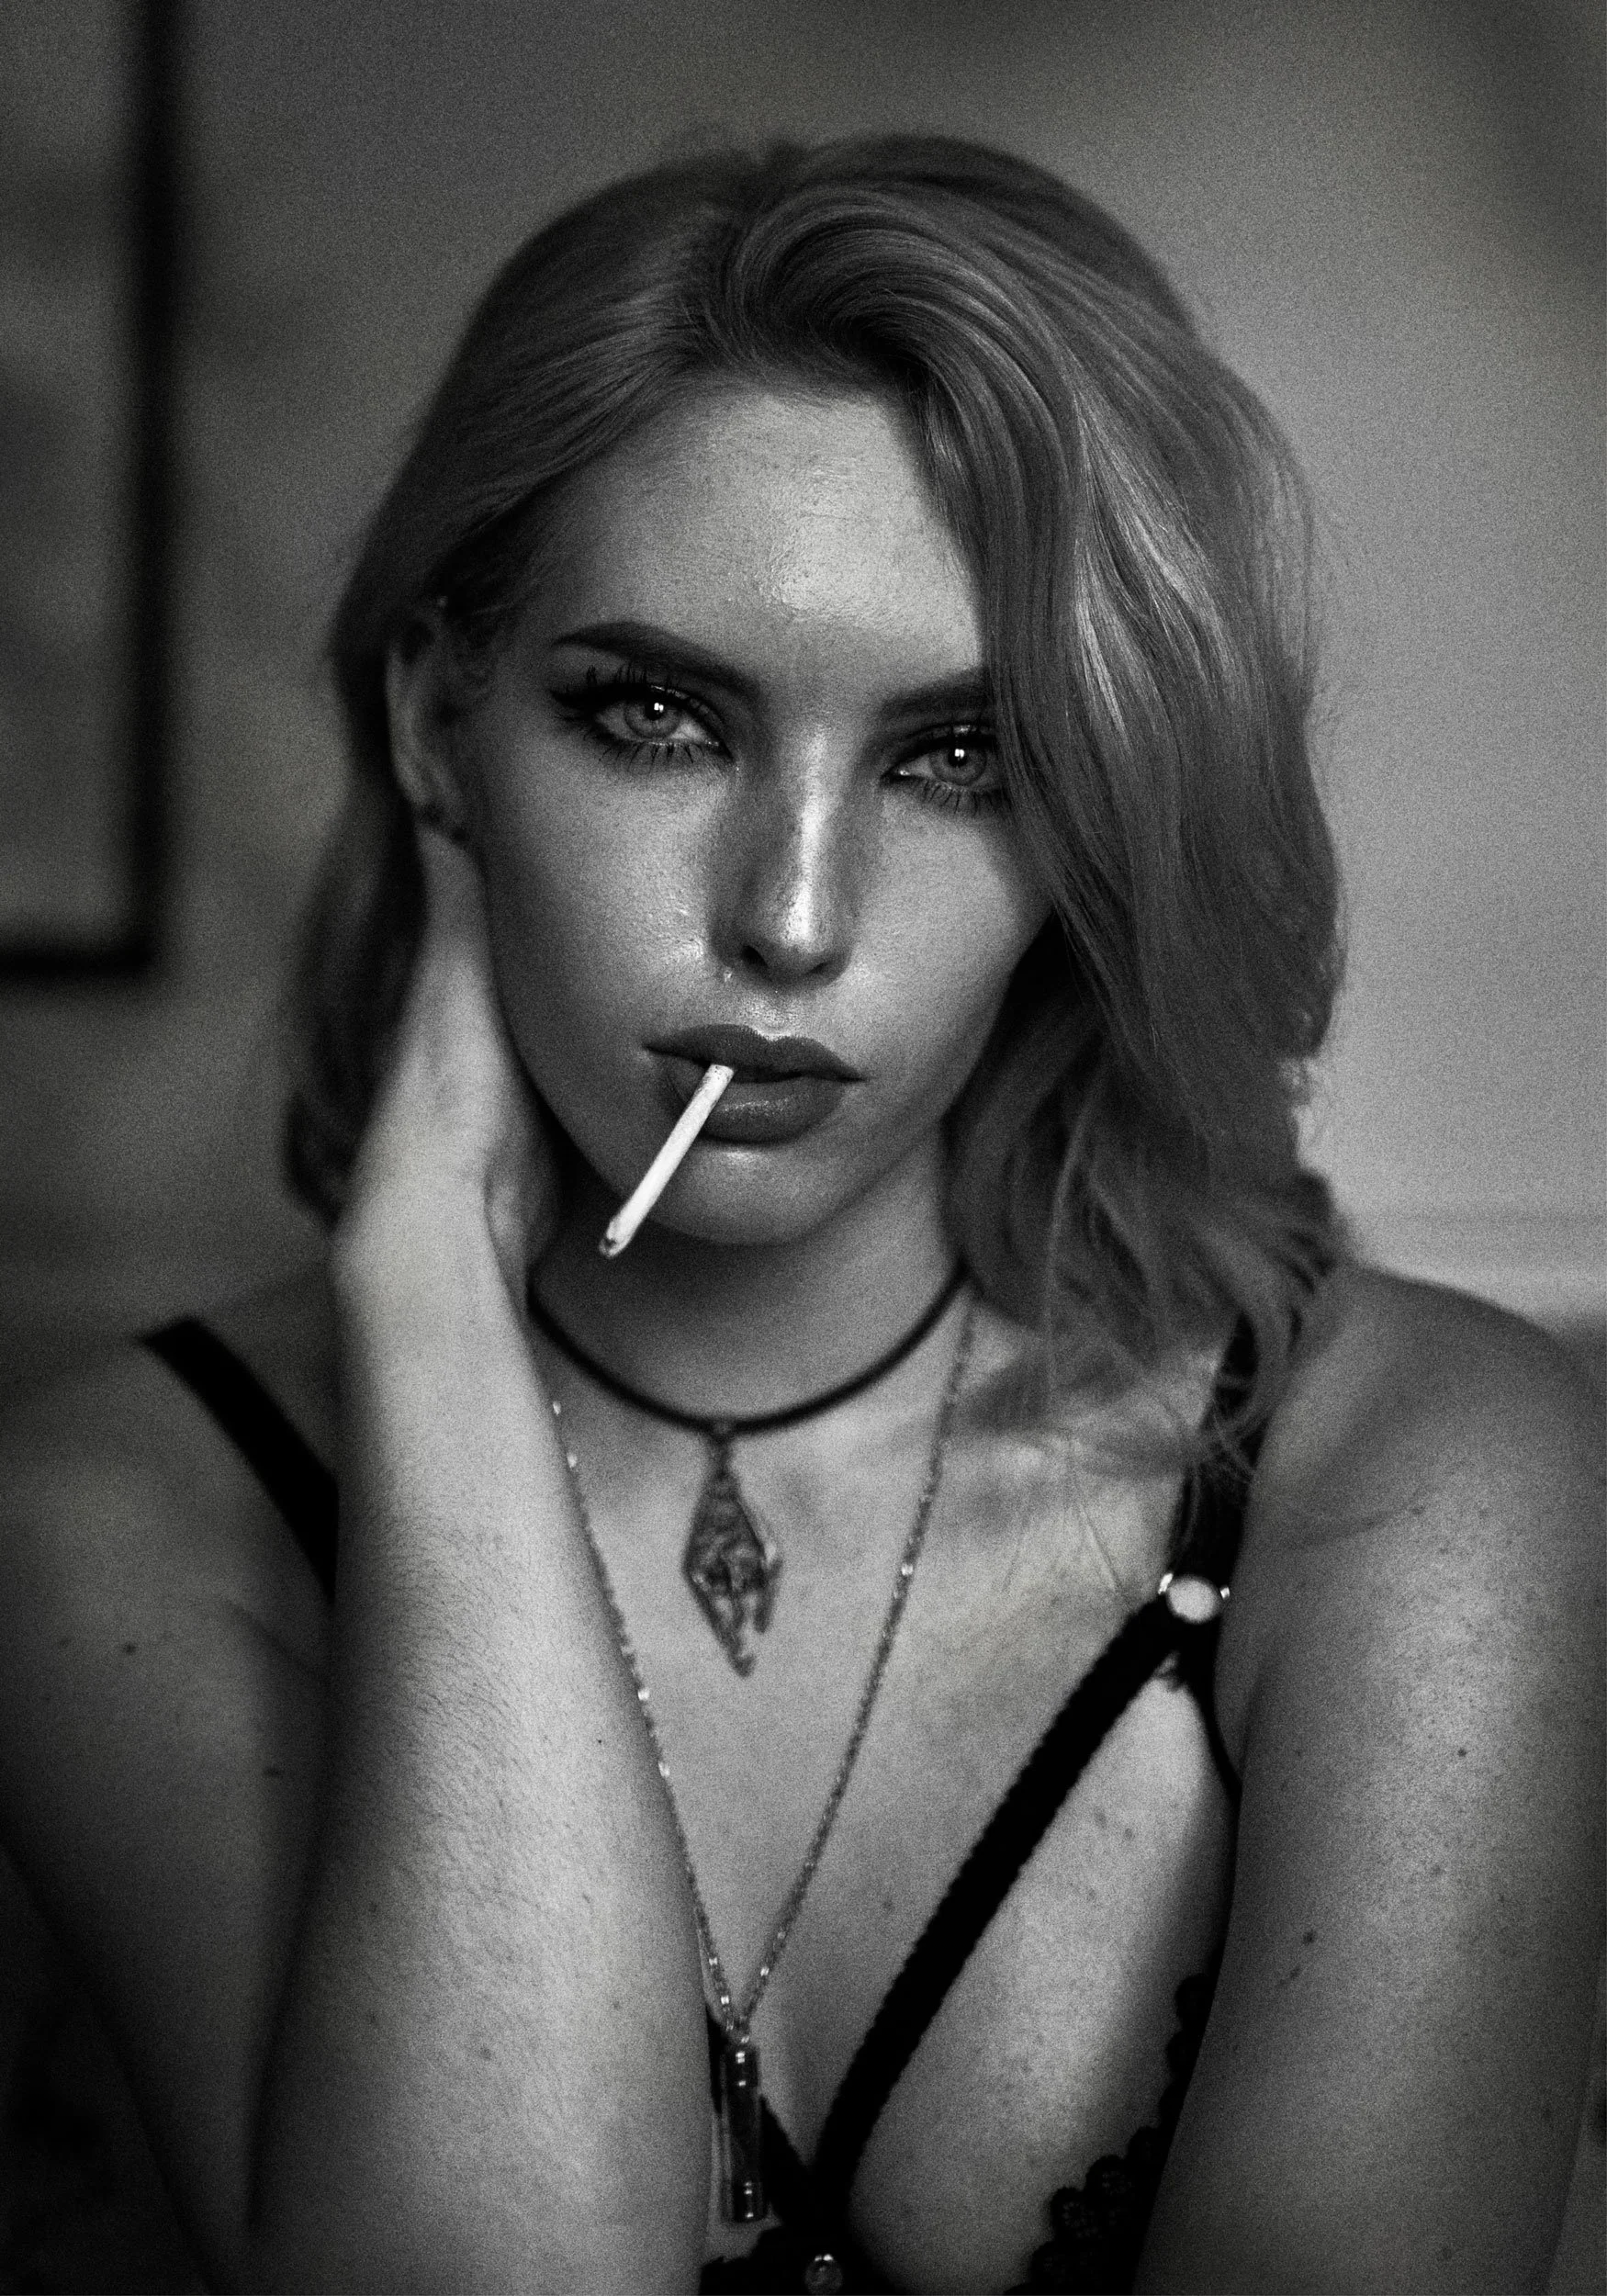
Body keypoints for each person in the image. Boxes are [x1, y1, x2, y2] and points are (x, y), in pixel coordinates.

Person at [0, 135, 1600, 2295]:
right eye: (654, 719)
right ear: (438, 722)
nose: (789, 916)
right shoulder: (118, 1512)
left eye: (959, 759)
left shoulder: (1419, 1487)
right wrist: (428, 1305)